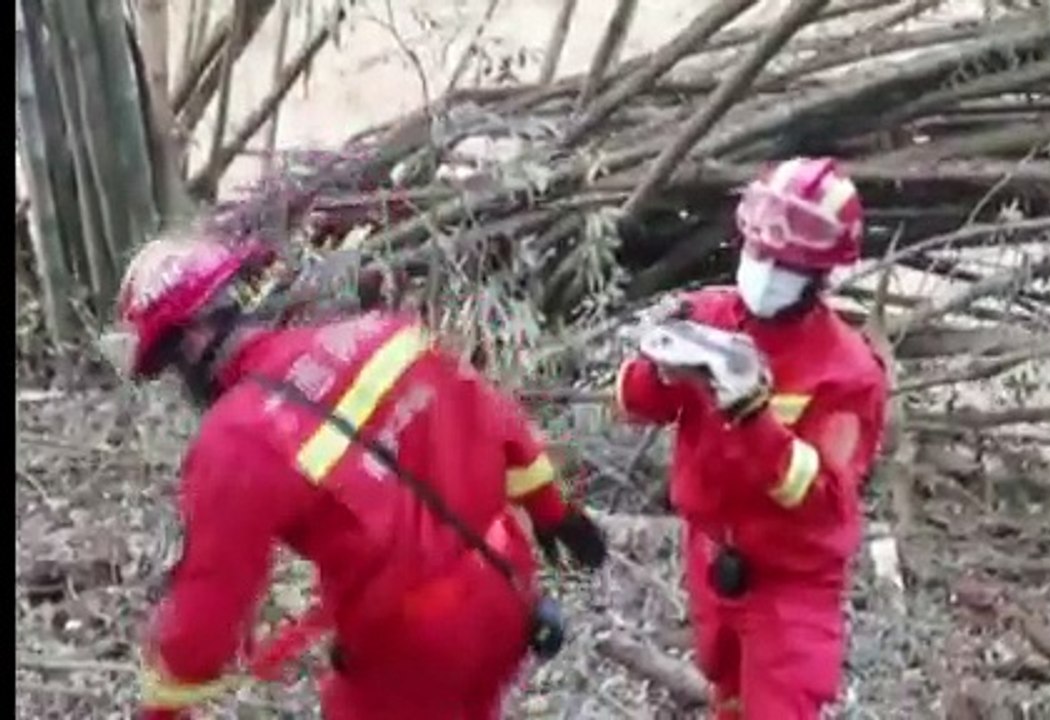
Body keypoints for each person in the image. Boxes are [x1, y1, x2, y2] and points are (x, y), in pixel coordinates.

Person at [109, 233, 607, 720]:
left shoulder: (234, 440)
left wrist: (161, 706)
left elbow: (211, 603)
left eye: (172, 362)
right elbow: (495, 419)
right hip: (507, 586)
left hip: (413, 643)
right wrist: (554, 512)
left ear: (192, 341)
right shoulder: (380, 334)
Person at [615, 157, 890, 719]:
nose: (762, 268)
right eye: (756, 251)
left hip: (790, 583)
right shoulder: (713, 317)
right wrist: (660, 359)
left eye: (781, 262)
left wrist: (751, 416)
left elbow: (818, 498)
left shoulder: (846, 374)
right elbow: (632, 404)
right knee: (730, 699)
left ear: (819, 276)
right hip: (712, 558)